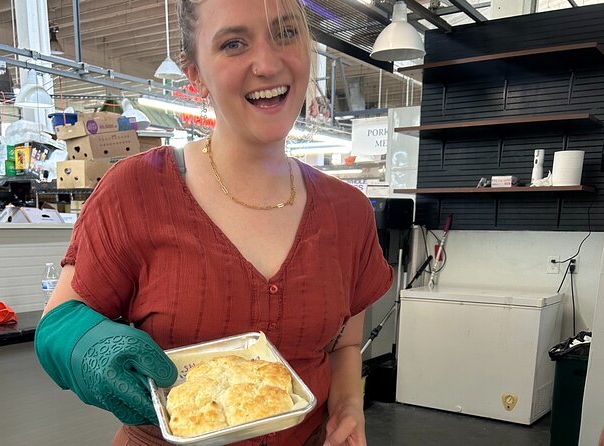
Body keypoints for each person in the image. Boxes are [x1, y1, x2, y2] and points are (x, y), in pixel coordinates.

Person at [34, 0, 394, 445]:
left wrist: (348, 407)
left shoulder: (349, 211)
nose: (268, 64)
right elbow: (58, 323)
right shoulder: (136, 190)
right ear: (196, 74)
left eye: (285, 34)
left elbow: (344, 345)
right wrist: (87, 345)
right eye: (234, 43)